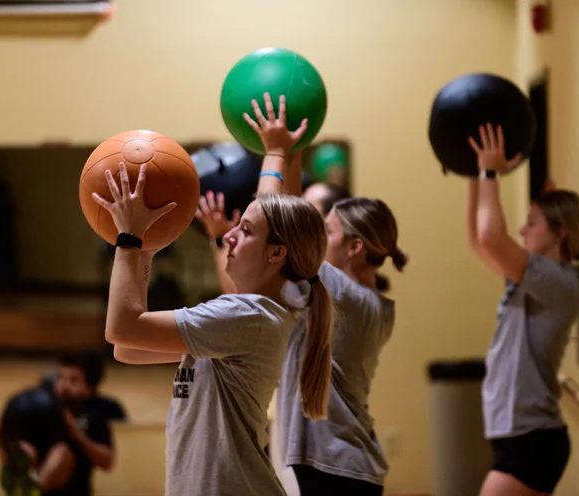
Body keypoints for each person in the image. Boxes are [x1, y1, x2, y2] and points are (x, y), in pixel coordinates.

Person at [196, 92, 407, 495]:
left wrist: (279, 152)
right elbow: (250, 287)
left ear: (355, 247)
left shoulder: (349, 297)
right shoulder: (353, 299)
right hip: (341, 465)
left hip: (338, 467)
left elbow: (287, 220)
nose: (314, 236)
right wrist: (292, 151)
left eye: (326, 231)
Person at [91, 160, 334, 496]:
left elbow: (122, 329)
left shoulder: (249, 315)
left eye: (245, 230)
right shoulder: (245, 317)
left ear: (277, 252)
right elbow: (129, 348)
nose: (229, 236)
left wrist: (129, 239)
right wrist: (147, 250)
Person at [466, 123, 579, 496]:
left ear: (559, 233)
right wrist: (474, 174)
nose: (522, 232)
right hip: (519, 437)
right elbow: (482, 243)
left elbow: (493, 238)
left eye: (531, 223)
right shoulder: (532, 280)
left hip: (533, 440)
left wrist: (491, 172)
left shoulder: (558, 282)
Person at [0, 351, 116, 496]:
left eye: (73, 380)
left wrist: (77, 433)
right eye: (61, 378)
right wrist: (1, 439)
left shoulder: (94, 414)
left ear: (89, 388)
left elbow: (107, 462)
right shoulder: (42, 407)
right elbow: (12, 458)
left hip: (73, 492)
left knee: (61, 452)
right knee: (24, 449)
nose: (64, 386)